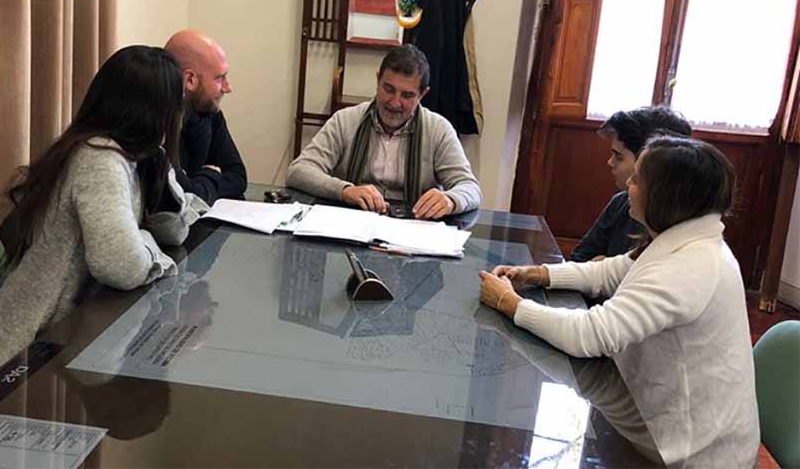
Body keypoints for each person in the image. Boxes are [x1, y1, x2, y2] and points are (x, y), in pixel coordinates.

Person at [478, 136, 758, 468]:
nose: (628, 184)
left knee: (560, 417)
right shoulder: (687, 237)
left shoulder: (692, 266)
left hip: (692, 449)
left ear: (668, 195)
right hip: (663, 410)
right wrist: (539, 274)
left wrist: (509, 303)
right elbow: (614, 271)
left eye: (638, 179)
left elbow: (591, 336)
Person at [0, 45, 208, 369]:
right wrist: (147, 244)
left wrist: (160, 169)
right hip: (28, 349)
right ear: (159, 112)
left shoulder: (135, 154)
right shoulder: (98, 159)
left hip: (71, 331)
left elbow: (176, 231)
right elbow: (120, 266)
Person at [286, 44, 481, 219]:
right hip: (351, 225)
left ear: (422, 94)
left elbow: (470, 188)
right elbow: (299, 171)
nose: (395, 102)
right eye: (388, 89)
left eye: (407, 95)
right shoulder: (345, 120)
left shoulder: (439, 130)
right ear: (378, 80)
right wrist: (344, 190)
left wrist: (450, 200)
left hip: (413, 232)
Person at [570, 106, 691, 262]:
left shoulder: (678, 224)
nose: (610, 162)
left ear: (649, 161)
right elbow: (579, 258)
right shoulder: (620, 202)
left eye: (619, 157)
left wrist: (602, 269)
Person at [165, 30, 247, 205]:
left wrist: (199, 186)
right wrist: (211, 175)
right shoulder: (158, 121)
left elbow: (237, 176)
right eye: (220, 78)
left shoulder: (209, 112)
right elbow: (179, 195)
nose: (228, 87)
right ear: (190, 79)